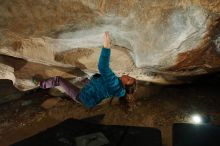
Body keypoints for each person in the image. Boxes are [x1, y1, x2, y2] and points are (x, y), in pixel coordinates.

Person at [33, 32, 137, 109]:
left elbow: (103, 66)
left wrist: (106, 47)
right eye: (129, 76)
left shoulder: (114, 83)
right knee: (86, 78)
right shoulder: (118, 89)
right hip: (91, 98)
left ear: (125, 84)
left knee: (58, 80)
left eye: (128, 79)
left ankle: (41, 84)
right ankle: (85, 82)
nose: (127, 75)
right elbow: (102, 85)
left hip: (82, 97)